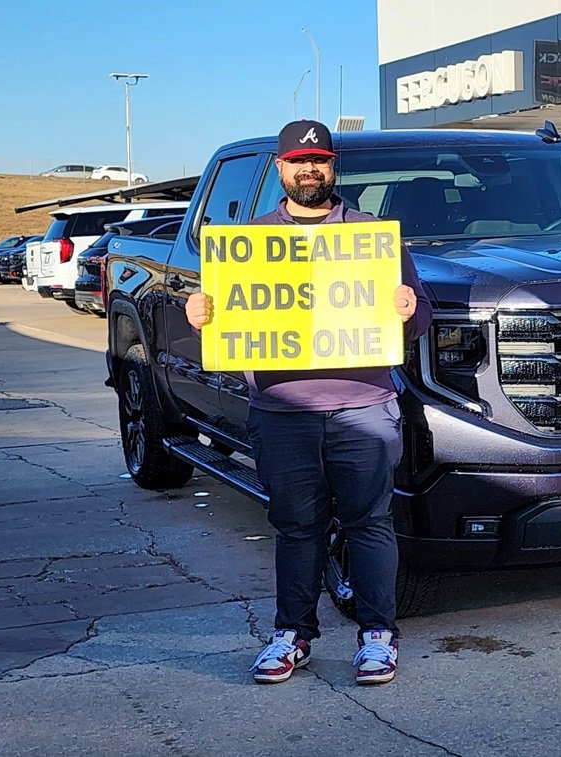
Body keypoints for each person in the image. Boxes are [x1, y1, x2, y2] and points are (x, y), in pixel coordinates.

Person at [185, 120, 432, 685]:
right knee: (297, 527)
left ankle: (378, 637)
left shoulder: (371, 238)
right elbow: (225, 328)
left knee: (369, 524)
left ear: (332, 168)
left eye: (319, 159)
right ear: (280, 168)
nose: (309, 169)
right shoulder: (248, 245)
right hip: (281, 409)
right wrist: (201, 317)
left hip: (364, 405)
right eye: (298, 160)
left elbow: (420, 321)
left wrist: (405, 308)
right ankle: (292, 635)